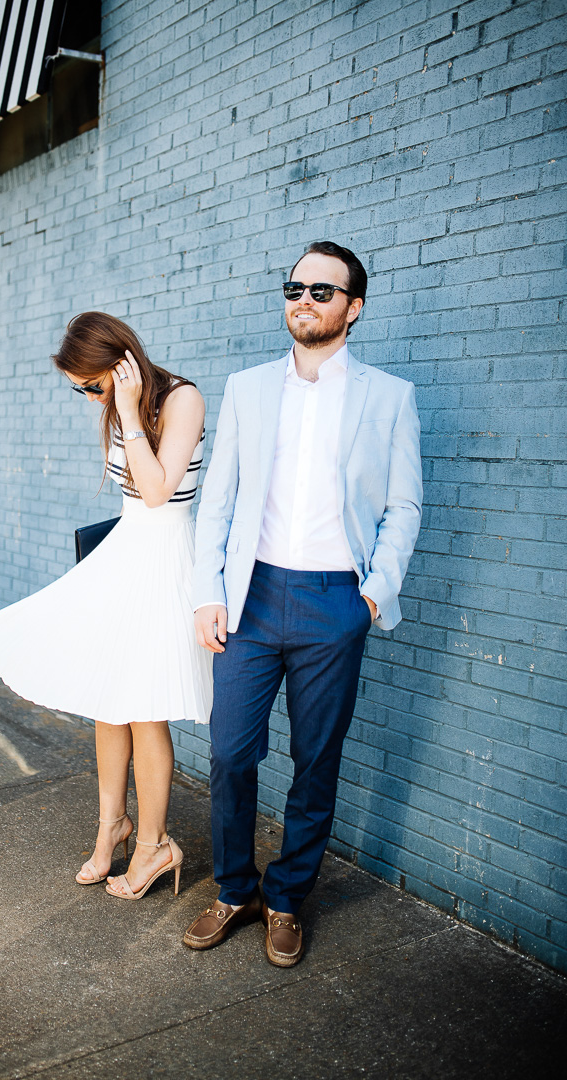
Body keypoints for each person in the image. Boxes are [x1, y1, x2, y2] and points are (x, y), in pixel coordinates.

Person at [183, 241, 422, 965]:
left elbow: (405, 505)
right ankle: (233, 888)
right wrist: (207, 593)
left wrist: (374, 596)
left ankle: (286, 898)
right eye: (295, 288)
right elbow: (218, 499)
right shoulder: (249, 388)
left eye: (323, 292)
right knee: (229, 754)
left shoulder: (389, 397)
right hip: (249, 600)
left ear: (354, 308)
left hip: (333, 602)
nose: (305, 301)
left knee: (317, 760)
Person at [0, 312, 212, 900]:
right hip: (125, 555)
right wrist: (116, 409)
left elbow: (157, 492)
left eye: (92, 383)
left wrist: (130, 411)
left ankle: (156, 845)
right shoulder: (112, 406)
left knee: (144, 706)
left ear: (122, 362)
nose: (89, 395)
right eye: (81, 387)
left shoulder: (183, 400)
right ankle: (114, 826)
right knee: (109, 701)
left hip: (163, 559)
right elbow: (129, 492)